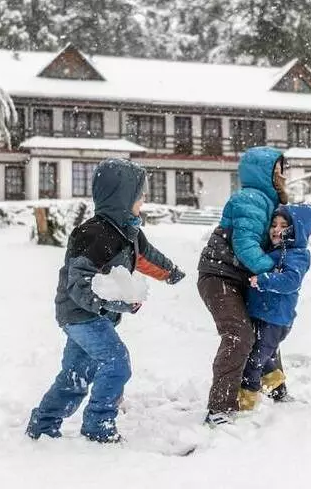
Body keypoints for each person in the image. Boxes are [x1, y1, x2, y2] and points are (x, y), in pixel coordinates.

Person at [25, 158, 186, 443]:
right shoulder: (94, 234)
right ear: (122, 196)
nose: (144, 199)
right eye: (140, 194)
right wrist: (112, 303)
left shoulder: (130, 231)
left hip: (96, 315)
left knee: (78, 373)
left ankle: (43, 424)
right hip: (80, 314)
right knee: (117, 362)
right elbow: (79, 282)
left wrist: (171, 272)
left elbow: (146, 258)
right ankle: (99, 424)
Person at [196, 146, 288, 426]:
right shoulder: (250, 199)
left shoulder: (270, 202)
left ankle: (276, 387)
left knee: (265, 326)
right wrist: (272, 271)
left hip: (238, 276)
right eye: (280, 169)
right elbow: (244, 244)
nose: (285, 174)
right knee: (239, 334)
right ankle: (219, 409)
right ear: (267, 172)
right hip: (219, 276)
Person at [238, 204, 311, 411]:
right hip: (261, 314)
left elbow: (291, 281)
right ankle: (276, 387)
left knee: (255, 361)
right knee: (259, 355)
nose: (276, 229)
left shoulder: (297, 255)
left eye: (283, 226)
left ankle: (246, 403)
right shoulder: (273, 251)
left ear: (296, 231)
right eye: (274, 224)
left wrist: (265, 280)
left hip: (276, 320)